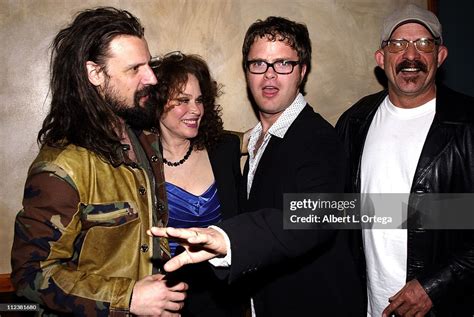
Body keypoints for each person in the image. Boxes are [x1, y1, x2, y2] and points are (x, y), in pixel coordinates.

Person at [150, 16, 364, 316]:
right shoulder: (254, 140)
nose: (270, 76)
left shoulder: (320, 139)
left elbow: (313, 217)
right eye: (259, 64)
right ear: (247, 71)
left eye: (283, 64)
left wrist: (226, 238)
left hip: (313, 303)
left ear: (302, 71)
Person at [10, 7, 187, 316]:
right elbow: (31, 274)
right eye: (135, 69)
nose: (152, 77)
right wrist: (127, 297)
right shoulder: (63, 166)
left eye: (150, 64)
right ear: (94, 73)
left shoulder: (146, 139)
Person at [335, 4, 474, 317]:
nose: (411, 55)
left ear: (440, 56)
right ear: (381, 59)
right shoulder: (355, 121)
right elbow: (343, 212)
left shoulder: (467, 124)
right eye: (398, 44)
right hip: (366, 305)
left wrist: (434, 286)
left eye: (424, 44)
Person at [149, 52, 246, 316]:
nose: (196, 110)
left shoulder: (224, 151)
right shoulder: (139, 164)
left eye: (200, 100)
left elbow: (241, 222)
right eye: (183, 100)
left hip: (224, 298)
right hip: (165, 298)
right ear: (157, 103)